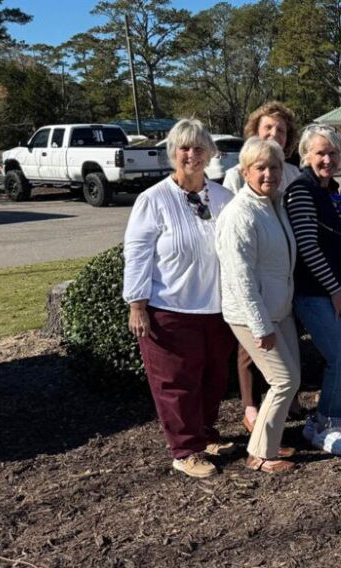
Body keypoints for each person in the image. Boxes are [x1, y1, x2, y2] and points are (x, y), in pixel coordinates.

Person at [123, 118, 236, 479]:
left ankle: (204, 435)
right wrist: (137, 304)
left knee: (213, 378)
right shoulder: (153, 200)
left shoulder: (223, 198)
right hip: (170, 308)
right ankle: (185, 450)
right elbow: (138, 253)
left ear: (210, 153)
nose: (191, 154)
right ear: (173, 153)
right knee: (176, 383)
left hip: (216, 307)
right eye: (184, 148)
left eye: (199, 147)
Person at [216, 137, 299, 474]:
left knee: (290, 379)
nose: (269, 174)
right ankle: (260, 454)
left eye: (275, 167)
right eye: (260, 168)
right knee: (284, 380)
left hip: (280, 310)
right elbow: (240, 277)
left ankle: (271, 440)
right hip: (253, 315)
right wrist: (260, 324)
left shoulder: (274, 204)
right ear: (245, 171)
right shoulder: (240, 214)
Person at [284, 124, 341, 456]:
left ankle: (330, 415)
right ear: (306, 155)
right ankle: (325, 424)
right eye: (321, 153)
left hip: (340, 286)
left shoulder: (333, 190)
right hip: (315, 292)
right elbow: (307, 246)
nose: (328, 159)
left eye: (333, 153)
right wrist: (334, 290)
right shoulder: (301, 190)